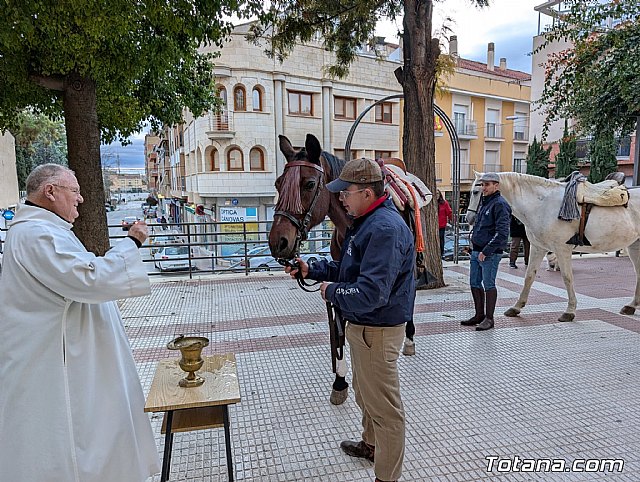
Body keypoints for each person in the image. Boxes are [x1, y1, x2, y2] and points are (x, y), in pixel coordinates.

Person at [0, 164, 160, 482]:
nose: (81, 198)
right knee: (75, 449)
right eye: (74, 190)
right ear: (50, 192)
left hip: (73, 358)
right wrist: (133, 243)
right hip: (59, 368)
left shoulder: (45, 231)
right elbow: (90, 279)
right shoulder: (36, 234)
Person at [285, 158, 415, 482]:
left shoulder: (384, 229)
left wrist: (332, 292)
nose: (341, 198)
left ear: (367, 193)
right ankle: (371, 445)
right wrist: (311, 269)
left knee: (386, 412)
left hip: (377, 331)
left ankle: (385, 477)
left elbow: (371, 294)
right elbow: (348, 270)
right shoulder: (367, 222)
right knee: (364, 394)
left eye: (346, 192)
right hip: (365, 330)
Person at [461, 172, 511, 331]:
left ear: (496, 185)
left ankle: (489, 319)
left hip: (489, 254)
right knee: (474, 283)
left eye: (487, 184)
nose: (484, 187)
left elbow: (502, 233)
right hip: (476, 252)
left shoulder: (500, 204)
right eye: (482, 184)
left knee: (489, 284)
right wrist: (473, 247)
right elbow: (480, 227)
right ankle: (479, 315)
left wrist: (486, 251)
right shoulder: (485, 203)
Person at [437, 189, 453, 258]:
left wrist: (452, 219)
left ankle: (441, 253)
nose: (436, 195)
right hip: (434, 226)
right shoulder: (432, 203)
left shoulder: (444, 203)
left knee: (441, 238)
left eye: (437, 193)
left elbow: (449, 212)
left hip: (441, 225)